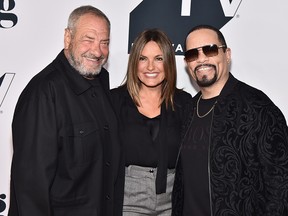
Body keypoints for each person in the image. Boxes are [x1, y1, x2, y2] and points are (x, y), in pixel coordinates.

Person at [8, 5, 121, 216]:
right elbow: (31, 186)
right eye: (88, 39)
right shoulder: (43, 92)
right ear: (68, 38)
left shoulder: (101, 83)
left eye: (104, 43)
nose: (97, 51)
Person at [172, 24, 288, 216]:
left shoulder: (257, 106)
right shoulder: (188, 109)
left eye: (209, 50)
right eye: (193, 54)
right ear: (187, 63)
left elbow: (281, 185)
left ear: (227, 54)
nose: (201, 58)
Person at [111, 29, 192, 215]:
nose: (150, 67)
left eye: (158, 58)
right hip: (127, 200)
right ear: (134, 63)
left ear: (169, 62)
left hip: (172, 201)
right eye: (142, 58)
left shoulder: (184, 103)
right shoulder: (113, 101)